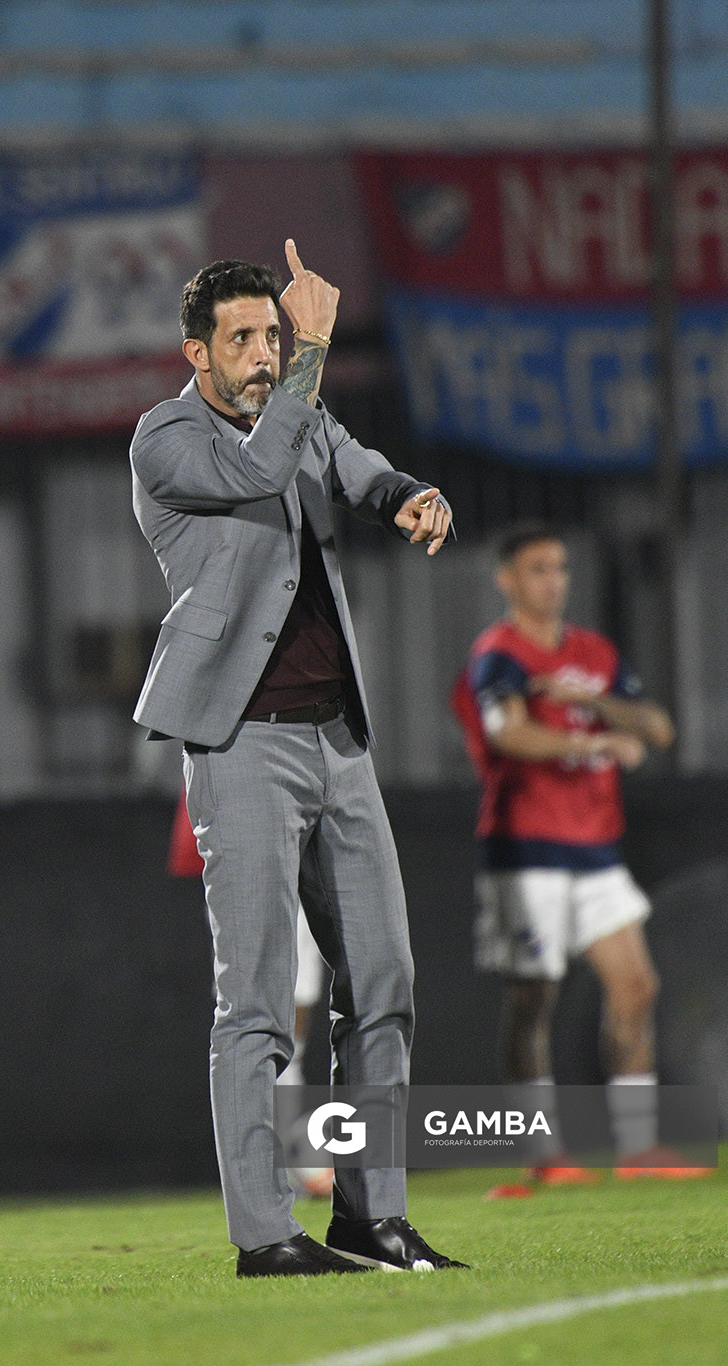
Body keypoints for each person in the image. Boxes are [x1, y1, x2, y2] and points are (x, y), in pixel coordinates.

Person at [131, 239, 468, 1276]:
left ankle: (370, 1213)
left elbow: (352, 464)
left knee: (384, 980)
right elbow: (264, 464)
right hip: (241, 748)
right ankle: (266, 1231)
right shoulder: (166, 439)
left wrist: (410, 493)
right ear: (198, 353)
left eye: (273, 333)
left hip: (338, 738)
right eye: (244, 336)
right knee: (259, 998)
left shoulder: (303, 411)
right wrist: (319, 345)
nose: (265, 351)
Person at [450, 522, 713, 1185]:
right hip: (526, 849)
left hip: (594, 848)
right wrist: (588, 745)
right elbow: (506, 734)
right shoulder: (499, 653)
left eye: (559, 568)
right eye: (537, 569)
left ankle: (637, 1146)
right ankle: (541, 1159)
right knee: (532, 998)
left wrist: (591, 704)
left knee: (635, 985)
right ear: (506, 579)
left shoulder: (592, 654)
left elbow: (656, 727)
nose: (552, 581)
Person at [168, 785, 334, 1195]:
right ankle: (288, 1158)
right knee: (258, 1001)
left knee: (298, 1000)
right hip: (247, 822)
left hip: (298, 824)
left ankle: (288, 1156)